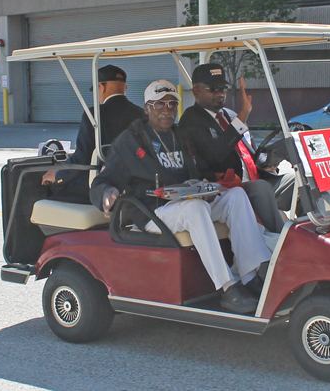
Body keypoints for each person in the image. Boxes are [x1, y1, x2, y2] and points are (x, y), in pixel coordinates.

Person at [90, 80, 271, 314]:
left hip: (185, 203)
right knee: (195, 209)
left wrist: (205, 183)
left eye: (172, 104)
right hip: (153, 211)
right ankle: (227, 288)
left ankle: (250, 275)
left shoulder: (181, 136)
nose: (166, 110)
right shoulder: (131, 140)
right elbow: (104, 180)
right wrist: (107, 191)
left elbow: (201, 169)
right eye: (159, 105)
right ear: (147, 108)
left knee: (236, 196)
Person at [178, 63, 295, 233]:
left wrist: (267, 161)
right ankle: (282, 244)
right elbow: (215, 154)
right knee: (261, 188)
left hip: (256, 178)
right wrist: (243, 116)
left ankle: (313, 232)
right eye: (213, 89)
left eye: (222, 88)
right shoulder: (191, 120)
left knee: (296, 179)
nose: (220, 94)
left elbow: (248, 151)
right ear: (196, 91)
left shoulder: (230, 115)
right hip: (226, 187)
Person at [41, 64, 147, 203]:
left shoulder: (94, 114)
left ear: (101, 87)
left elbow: (82, 158)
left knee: (52, 190)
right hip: (133, 183)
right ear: (125, 88)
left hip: (101, 183)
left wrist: (59, 176)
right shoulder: (141, 114)